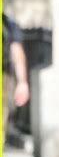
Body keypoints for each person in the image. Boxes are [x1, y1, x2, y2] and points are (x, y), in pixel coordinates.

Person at [2, 12, 29, 145]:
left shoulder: (7, 24)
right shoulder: (7, 23)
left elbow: (16, 51)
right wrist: (22, 83)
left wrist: (22, 83)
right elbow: (17, 51)